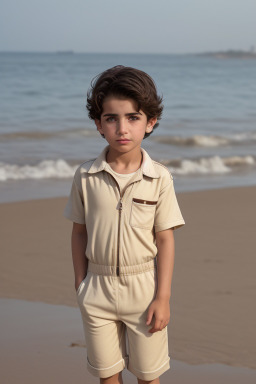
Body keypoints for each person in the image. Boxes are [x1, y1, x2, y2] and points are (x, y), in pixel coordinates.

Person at [64, 65, 185, 384]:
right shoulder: (85, 176)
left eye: (133, 117)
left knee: (148, 377)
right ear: (98, 124)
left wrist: (163, 297)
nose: (122, 128)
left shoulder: (159, 178)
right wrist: (81, 284)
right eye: (111, 118)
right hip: (97, 289)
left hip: (144, 289)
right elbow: (79, 232)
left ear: (150, 123)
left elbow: (166, 239)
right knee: (107, 377)